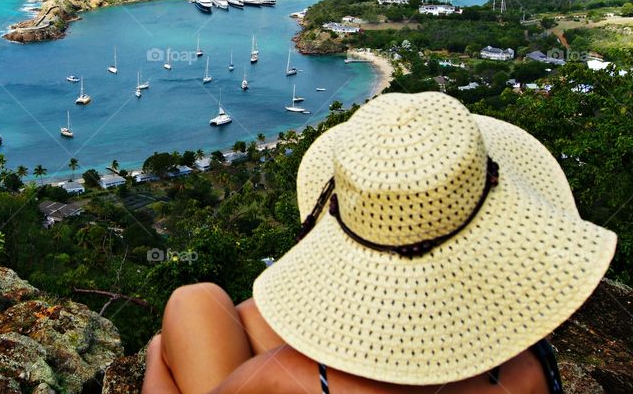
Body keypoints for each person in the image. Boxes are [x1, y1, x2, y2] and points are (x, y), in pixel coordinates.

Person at [143, 92, 616, 393]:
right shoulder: (528, 365)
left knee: (191, 305)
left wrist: (155, 360)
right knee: (210, 305)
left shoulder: (285, 376)